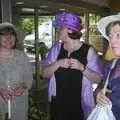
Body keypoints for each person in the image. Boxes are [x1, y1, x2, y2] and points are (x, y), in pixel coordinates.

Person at [41, 11, 102, 120]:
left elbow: (98, 79)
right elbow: (44, 73)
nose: (58, 30)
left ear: (70, 29)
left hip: (79, 106)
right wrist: (58, 63)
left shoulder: (88, 51)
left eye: (61, 28)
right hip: (57, 104)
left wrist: (82, 68)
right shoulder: (56, 49)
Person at [0, 23, 33, 120]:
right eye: (4, 35)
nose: (9, 38)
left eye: (12, 35)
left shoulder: (22, 56)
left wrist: (23, 86)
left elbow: (29, 78)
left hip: (19, 105)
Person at [96, 14, 120, 120]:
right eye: (110, 36)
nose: (112, 42)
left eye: (118, 35)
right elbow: (99, 88)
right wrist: (98, 96)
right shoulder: (111, 65)